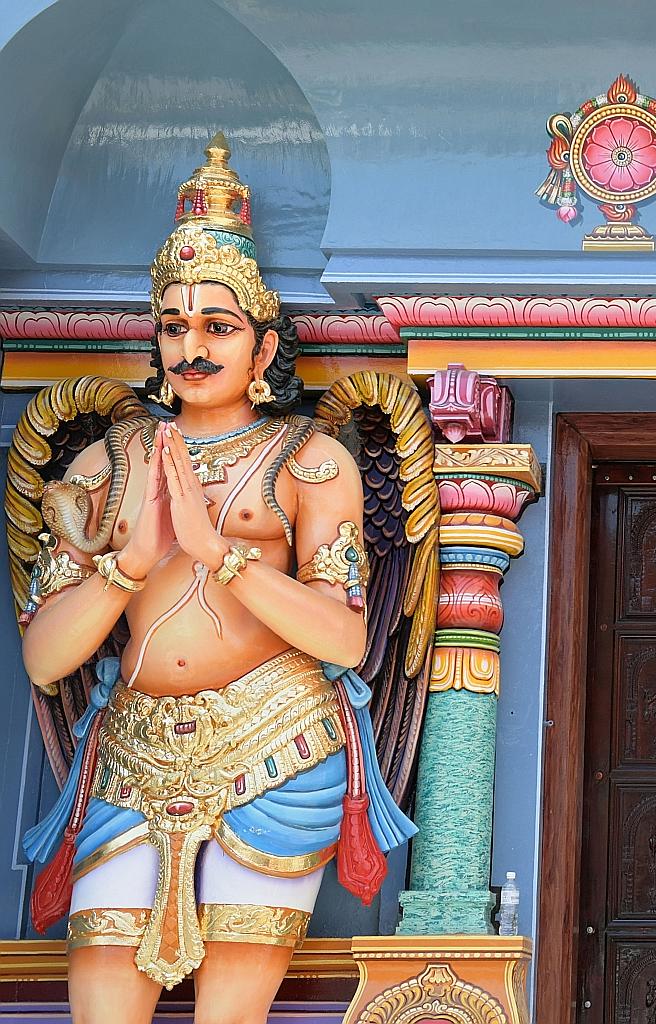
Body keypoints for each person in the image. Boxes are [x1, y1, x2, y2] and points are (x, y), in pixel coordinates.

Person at [13, 135, 415, 1024]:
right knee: (102, 998)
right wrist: (129, 565)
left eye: (218, 326)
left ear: (266, 344)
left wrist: (216, 550)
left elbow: (344, 637)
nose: (192, 347)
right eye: (175, 325)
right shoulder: (103, 464)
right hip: (130, 754)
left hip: (277, 744)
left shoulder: (309, 463)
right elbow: (45, 659)